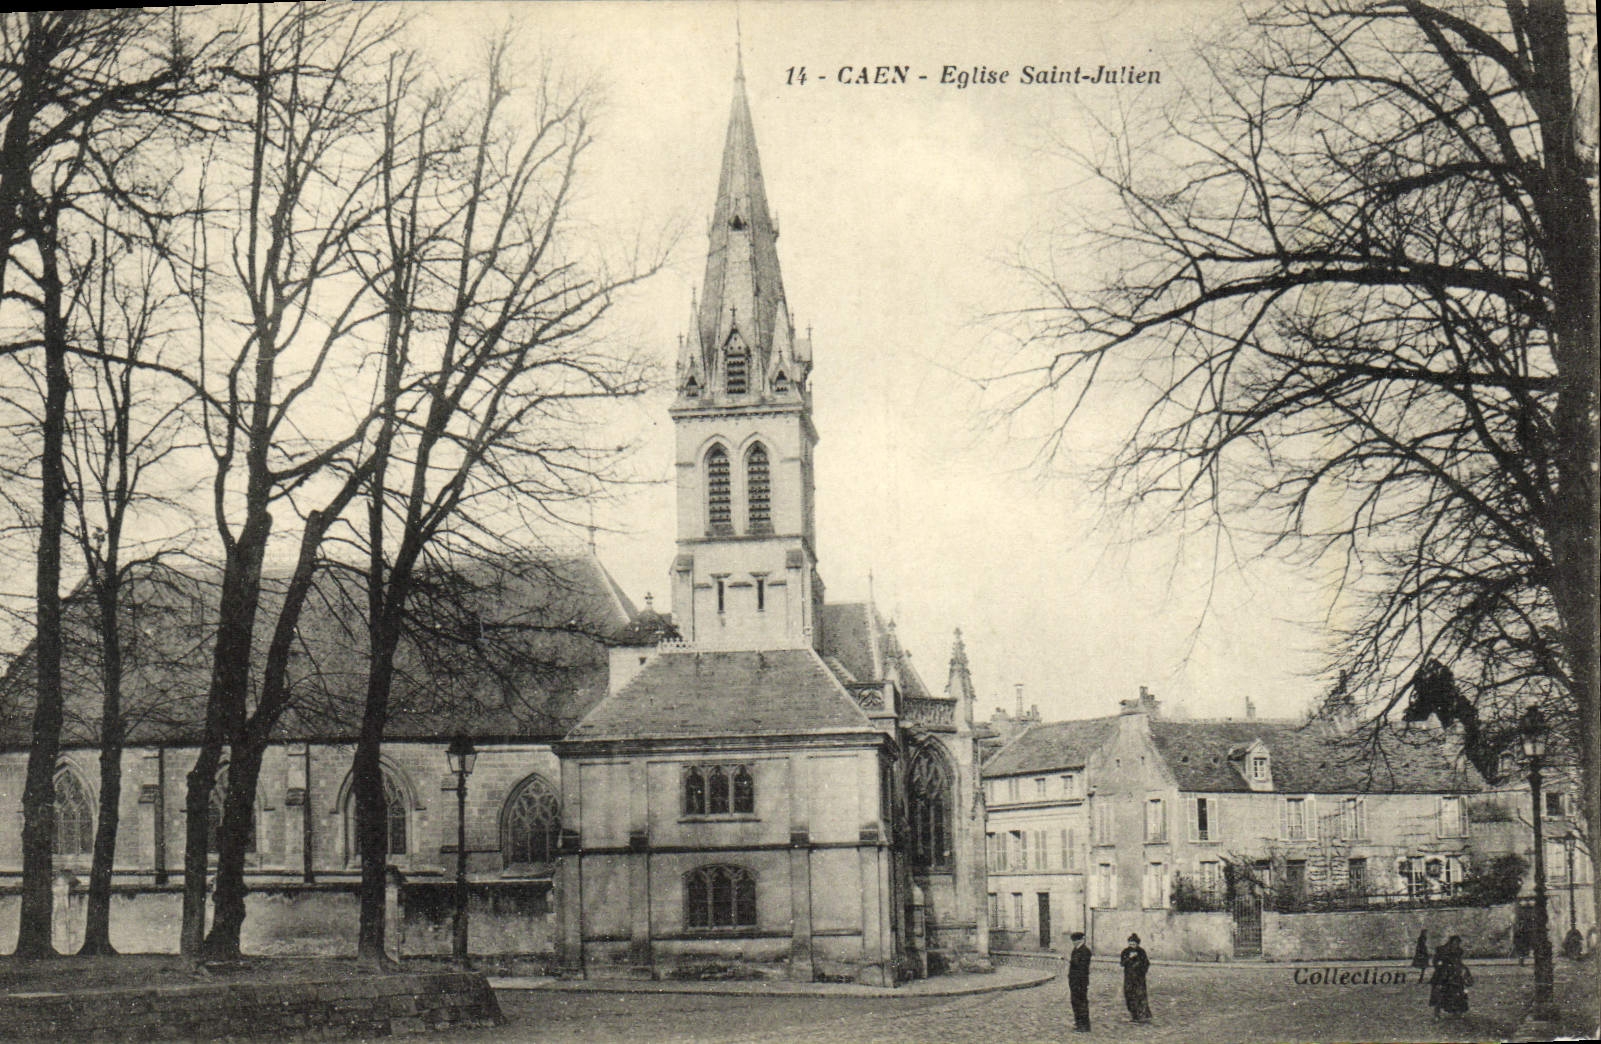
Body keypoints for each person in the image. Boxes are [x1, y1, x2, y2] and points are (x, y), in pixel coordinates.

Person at [1428, 935, 1472, 1018]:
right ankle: (1437, 1013)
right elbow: (1436, 962)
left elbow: (1458, 962)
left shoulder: (1458, 951)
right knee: (1440, 994)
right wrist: (1441, 967)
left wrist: (1464, 969)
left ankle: (1456, 1012)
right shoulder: (1442, 950)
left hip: (1454, 974)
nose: (1456, 945)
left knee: (1457, 993)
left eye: (1458, 943)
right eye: (1455, 942)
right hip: (1443, 975)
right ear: (1451, 942)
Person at [1119, 932, 1152, 1023]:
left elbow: (1146, 964)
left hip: (1139, 979)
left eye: (1133, 944)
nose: (1132, 945)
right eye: (1130, 944)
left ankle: (1143, 1016)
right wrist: (1129, 958)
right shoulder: (1125, 951)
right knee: (1129, 996)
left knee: (1140, 996)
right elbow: (1122, 963)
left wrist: (1141, 971)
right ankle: (1134, 1015)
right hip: (1129, 978)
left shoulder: (1141, 952)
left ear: (1137, 944)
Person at [1068, 931, 1092, 1032]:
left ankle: (1084, 1025)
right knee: (1075, 1002)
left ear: (1082, 940)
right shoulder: (1075, 950)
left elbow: (1081, 966)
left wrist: (1069, 960)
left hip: (1081, 981)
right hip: (1074, 980)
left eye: (1077, 941)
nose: (1075, 943)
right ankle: (1078, 1023)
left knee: (1081, 1002)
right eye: (1074, 941)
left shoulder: (1085, 951)